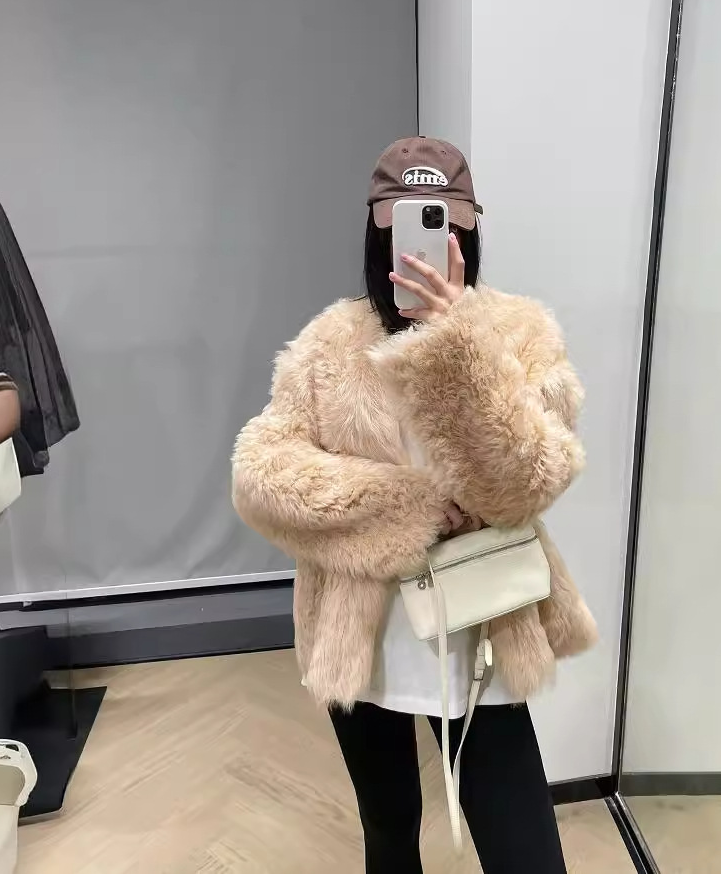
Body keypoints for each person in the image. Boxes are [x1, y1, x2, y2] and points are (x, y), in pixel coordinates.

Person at [232, 136, 597, 874]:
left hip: (484, 629)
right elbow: (262, 474)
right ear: (377, 233)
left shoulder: (519, 333)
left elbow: (532, 478)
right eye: (403, 227)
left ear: (468, 230)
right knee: (390, 831)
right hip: (363, 636)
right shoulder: (330, 343)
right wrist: (411, 507)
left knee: (525, 852)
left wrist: (457, 343)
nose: (425, 247)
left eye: (443, 226)